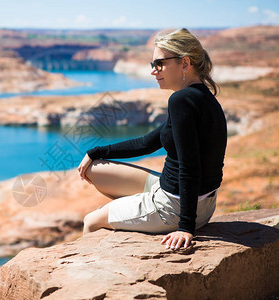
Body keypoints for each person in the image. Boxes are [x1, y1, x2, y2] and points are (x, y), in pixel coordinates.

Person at [77, 28, 227, 251]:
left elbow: (189, 166)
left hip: (174, 207)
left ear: (185, 63)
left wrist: (186, 227)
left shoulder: (181, 100)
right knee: (94, 169)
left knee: (91, 221)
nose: (153, 71)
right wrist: (96, 152)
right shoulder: (200, 96)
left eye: (159, 63)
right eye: (151, 65)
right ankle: (128, 212)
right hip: (199, 202)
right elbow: (148, 143)